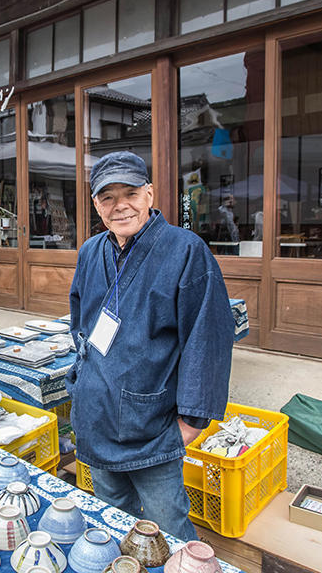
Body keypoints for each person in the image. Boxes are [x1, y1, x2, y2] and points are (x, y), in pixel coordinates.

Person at [66, 151, 233, 542]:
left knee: (167, 528)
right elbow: (80, 324)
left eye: (131, 193)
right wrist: (80, 383)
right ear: (96, 205)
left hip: (153, 422)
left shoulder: (185, 250)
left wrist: (191, 421)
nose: (120, 205)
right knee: (112, 519)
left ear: (150, 194)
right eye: (108, 197)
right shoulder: (91, 251)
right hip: (98, 418)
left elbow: (208, 337)